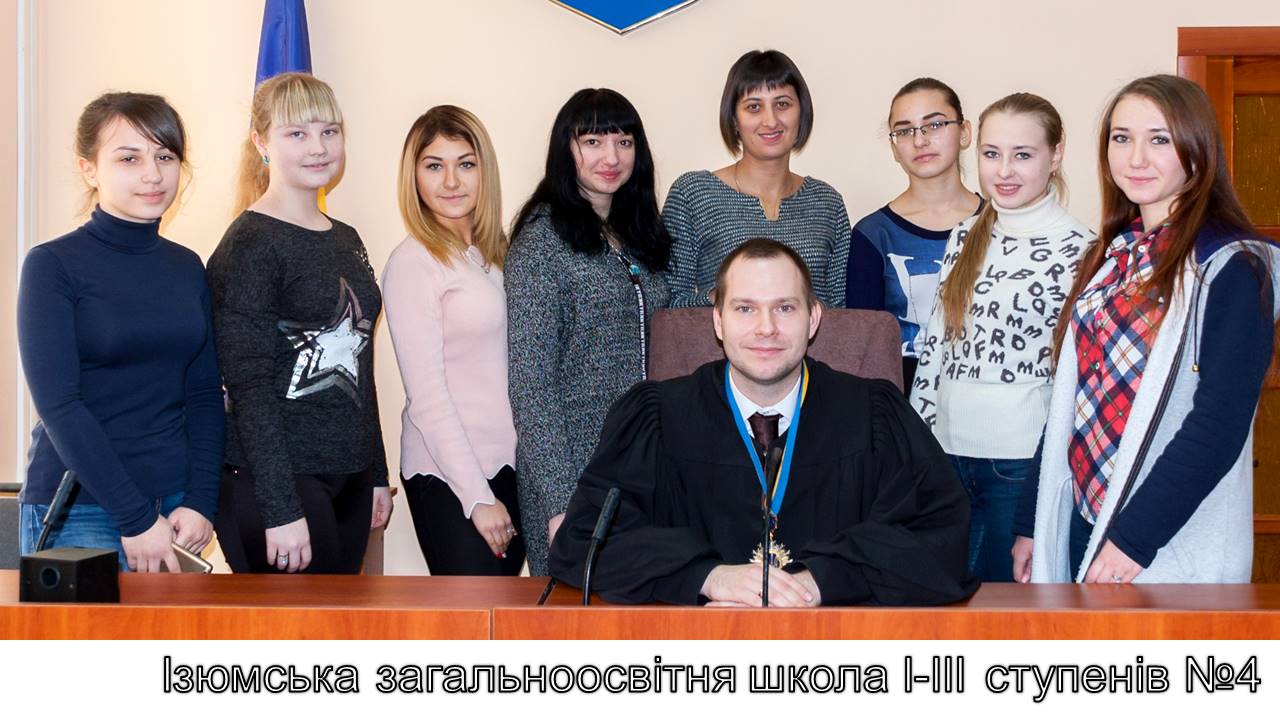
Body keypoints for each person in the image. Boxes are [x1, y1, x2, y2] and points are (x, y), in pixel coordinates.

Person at [549, 239, 977, 606]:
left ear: (813, 318)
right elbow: (585, 541)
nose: (766, 328)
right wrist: (707, 576)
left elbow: (940, 536)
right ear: (718, 320)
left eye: (785, 308)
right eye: (745, 309)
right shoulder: (656, 418)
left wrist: (821, 580)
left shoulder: (873, 415)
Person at [1013, 74, 1280, 584]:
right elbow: (1074, 395)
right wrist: (1032, 521)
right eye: (1122, 137)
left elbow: (1218, 424)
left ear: (1198, 149)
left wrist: (1132, 541)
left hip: (1158, 539)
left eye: (1159, 139)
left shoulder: (1232, 265)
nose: (1135, 158)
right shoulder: (1112, 256)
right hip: (1084, 518)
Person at [17, 92, 224, 572]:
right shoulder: (52, 265)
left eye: (165, 157)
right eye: (129, 158)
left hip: (176, 505)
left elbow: (204, 396)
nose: (153, 175)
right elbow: (60, 405)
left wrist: (201, 499)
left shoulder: (187, 267)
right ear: (89, 169)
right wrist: (135, 518)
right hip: (80, 508)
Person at [207, 72, 391, 574]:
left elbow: (360, 362)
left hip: (350, 475)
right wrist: (280, 509)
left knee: (339, 622)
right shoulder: (250, 244)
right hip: (278, 485)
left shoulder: (347, 238)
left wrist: (376, 471)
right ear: (261, 142)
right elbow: (247, 386)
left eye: (329, 131)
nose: (318, 147)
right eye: (297, 133)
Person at [909, 93, 1092, 582]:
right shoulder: (965, 235)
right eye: (991, 154)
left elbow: (1076, 382)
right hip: (946, 458)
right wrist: (917, 449)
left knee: (1004, 611)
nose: (1004, 171)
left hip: (1019, 468)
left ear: (1055, 156)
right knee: (947, 603)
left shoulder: (1083, 251)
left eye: (1023, 155)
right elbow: (935, 351)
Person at [507, 88, 671, 576]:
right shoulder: (541, 243)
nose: (611, 157)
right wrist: (562, 501)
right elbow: (530, 384)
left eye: (624, 142)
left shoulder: (638, 234)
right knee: (576, 613)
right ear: (566, 149)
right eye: (593, 141)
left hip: (644, 465)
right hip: (575, 470)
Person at [382, 105, 524, 575]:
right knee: (473, 614)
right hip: (450, 478)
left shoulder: (497, 255)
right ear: (414, 176)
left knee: (507, 614)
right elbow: (426, 397)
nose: (450, 181)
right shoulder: (413, 263)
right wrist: (476, 497)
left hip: (511, 468)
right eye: (433, 166)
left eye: (465, 164)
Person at [662, 49, 850, 309]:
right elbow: (669, 307)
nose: (770, 121)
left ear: (802, 112)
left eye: (782, 104)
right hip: (717, 338)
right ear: (734, 119)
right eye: (754, 107)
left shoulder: (827, 202)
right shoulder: (693, 194)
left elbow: (841, 311)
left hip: (814, 338)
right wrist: (724, 296)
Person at [845, 78, 982, 388]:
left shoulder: (999, 224)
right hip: (901, 403)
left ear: (964, 132)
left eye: (934, 125)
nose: (920, 140)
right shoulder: (873, 235)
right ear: (894, 147)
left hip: (988, 398)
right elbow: (864, 347)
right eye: (905, 131)